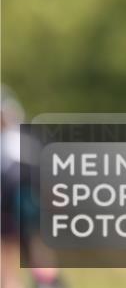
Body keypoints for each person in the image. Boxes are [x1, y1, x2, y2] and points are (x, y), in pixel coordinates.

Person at [1, 86, 67, 288]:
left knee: (31, 249)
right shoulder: (23, 138)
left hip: (22, 201)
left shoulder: (17, 140)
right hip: (16, 204)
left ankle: (46, 283)